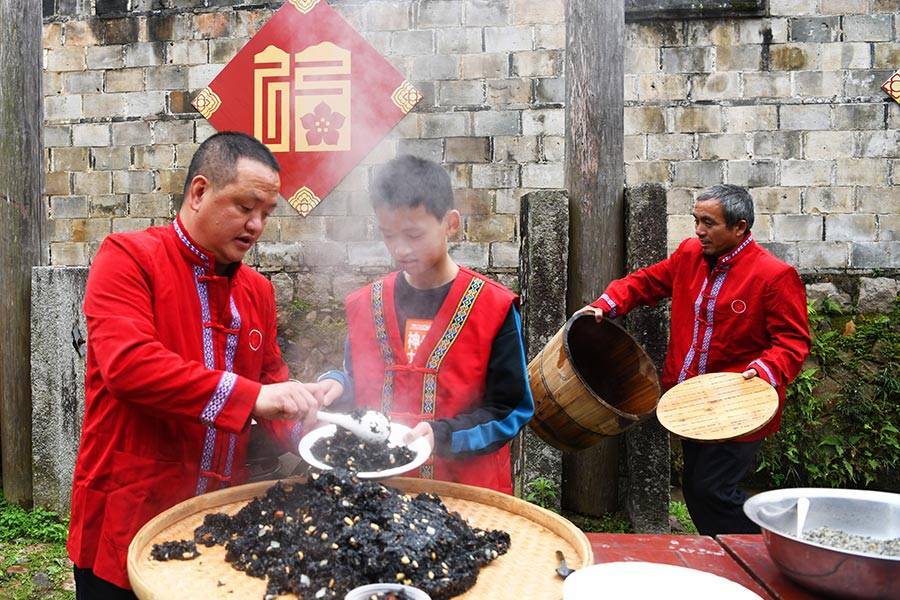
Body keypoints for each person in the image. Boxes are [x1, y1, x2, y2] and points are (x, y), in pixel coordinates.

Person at [67, 132, 321, 598]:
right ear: (200, 192)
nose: (257, 225)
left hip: (218, 519)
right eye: (245, 207)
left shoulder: (257, 291)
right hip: (128, 513)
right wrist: (254, 397)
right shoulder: (128, 258)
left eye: (266, 213)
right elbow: (129, 365)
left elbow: (271, 380)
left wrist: (314, 422)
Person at [579, 183, 810, 536]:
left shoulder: (774, 276)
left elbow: (792, 343)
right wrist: (606, 304)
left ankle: (768, 548)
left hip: (740, 405)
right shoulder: (689, 255)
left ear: (740, 227)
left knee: (710, 490)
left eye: (709, 223)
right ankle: (739, 551)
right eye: (696, 220)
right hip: (692, 404)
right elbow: (647, 282)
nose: (699, 230)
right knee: (699, 490)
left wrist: (762, 370)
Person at [310, 155, 534, 494]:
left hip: (465, 495)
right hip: (378, 493)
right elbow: (359, 379)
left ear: (451, 223)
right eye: (388, 235)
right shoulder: (365, 304)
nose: (400, 249)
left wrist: (443, 435)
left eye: (414, 234)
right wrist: (337, 385)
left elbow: (510, 408)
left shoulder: (493, 307)